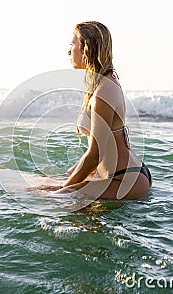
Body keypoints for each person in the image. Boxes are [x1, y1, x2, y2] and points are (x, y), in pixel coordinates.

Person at [54, 21, 152, 200]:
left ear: (87, 48)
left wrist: (62, 187)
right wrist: (66, 176)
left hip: (125, 178)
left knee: (61, 197)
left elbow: (95, 154)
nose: (68, 51)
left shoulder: (104, 91)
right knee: (49, 184)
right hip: (118, 173)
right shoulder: (104, 81)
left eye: (72, 45)